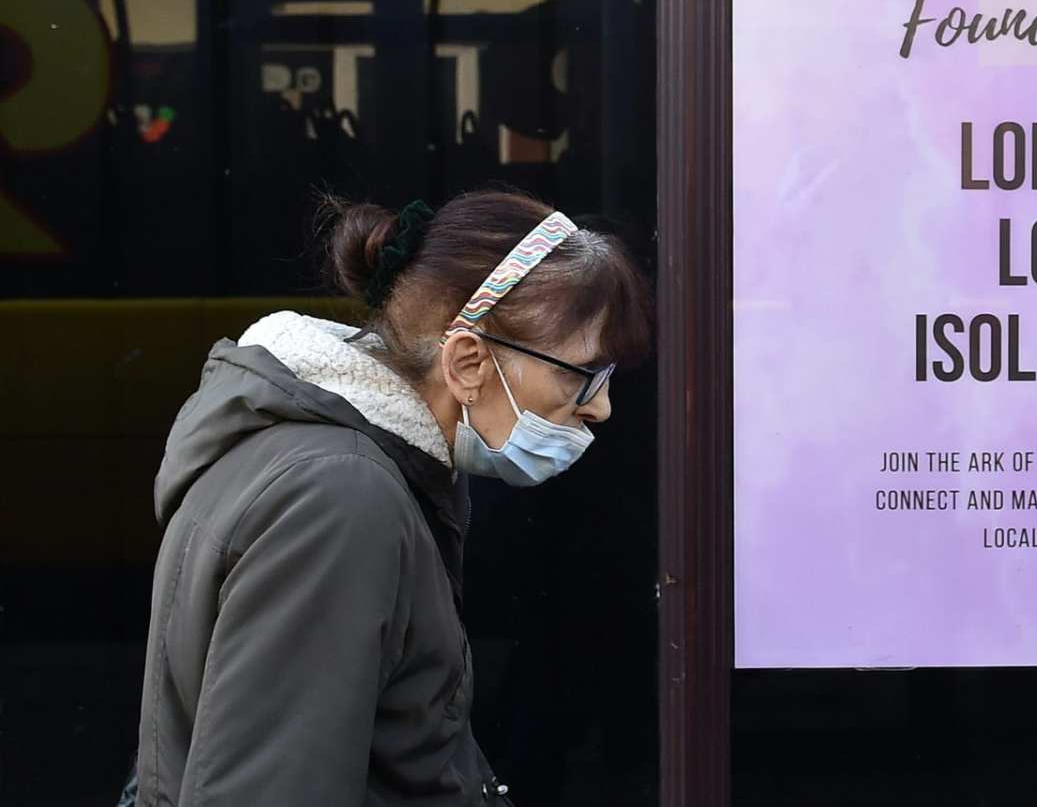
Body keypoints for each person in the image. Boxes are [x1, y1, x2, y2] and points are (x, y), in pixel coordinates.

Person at [131, 189, 652, 805]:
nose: (600, 404)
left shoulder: (330, 465)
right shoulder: (339, 498)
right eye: (579, 372)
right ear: (467, 361)